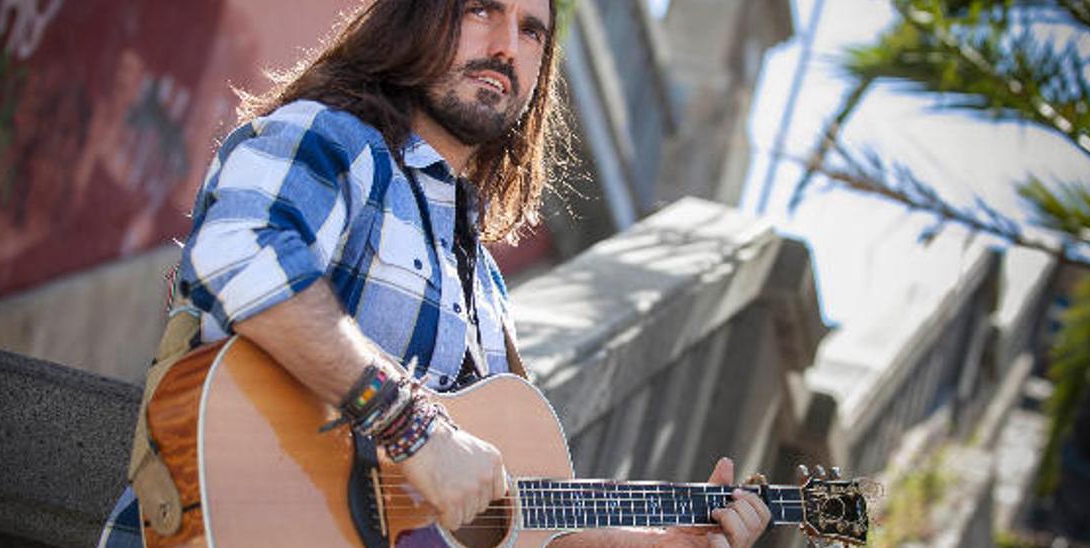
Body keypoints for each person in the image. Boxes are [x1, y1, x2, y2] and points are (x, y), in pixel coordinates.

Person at [103, 1, 771, 547]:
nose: (509, 47)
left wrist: (662, 543)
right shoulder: (331, 140)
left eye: (532, 30)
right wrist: (412, 428)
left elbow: (507, 525)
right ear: (414, 17)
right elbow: (238, 253)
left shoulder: (484, 282)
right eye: (482, 10)